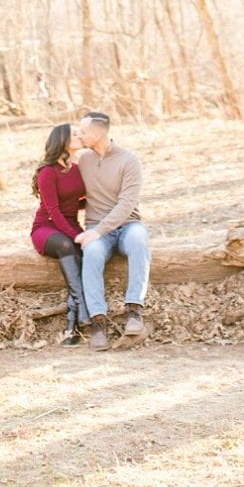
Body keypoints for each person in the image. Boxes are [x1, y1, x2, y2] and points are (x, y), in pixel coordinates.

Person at [73, 110, 149, 351]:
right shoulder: (83, 160)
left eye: (83, 131)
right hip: (97, 229)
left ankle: (134, 310)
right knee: (92, 252)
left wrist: (98, 230)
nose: (80, 135)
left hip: (128, 225)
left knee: (139, 239)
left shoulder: (129, 160)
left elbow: (127, 203)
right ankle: (98, 321)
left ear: (97, 133)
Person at [30, 122, 89, 346]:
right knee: (67, 246)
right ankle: (83, 310)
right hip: (46, 228)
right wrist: (75, 237)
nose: (79, 136)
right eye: (74, 134)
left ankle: (71, 328)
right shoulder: (47, 171)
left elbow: (74, 201)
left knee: (80, 256)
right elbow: (53, 210)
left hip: (69, 226)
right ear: (62, 140)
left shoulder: (77, 169)